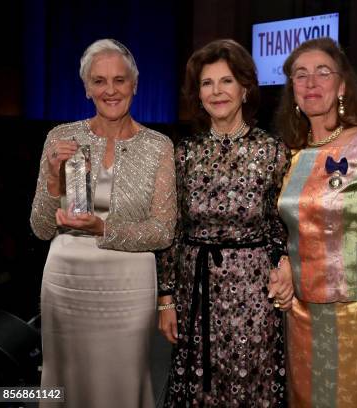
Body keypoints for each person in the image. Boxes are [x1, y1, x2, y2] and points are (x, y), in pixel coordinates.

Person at [30, 39, 176, 407]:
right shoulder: (61, 138)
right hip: (66, 281)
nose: (110, 90)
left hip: (128, 286)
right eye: (99, 81)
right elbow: (41, 228)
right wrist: (52, 179)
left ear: (135, 85)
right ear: (86, 88)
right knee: (64, 380)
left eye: (119, 80)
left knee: (122, 382)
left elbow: (162, 230)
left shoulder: (159, 146)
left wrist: (103, 230)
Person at [156, 39, 292, 407]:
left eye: (227, 81)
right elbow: (172, 229)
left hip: (254, 293)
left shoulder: (272, 150)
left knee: (252, 381)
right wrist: (166, 299)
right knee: (199, 386)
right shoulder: (182, 153)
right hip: (195, 290)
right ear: (197, 95)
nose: (217, 91)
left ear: (245, 88)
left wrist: (285, 265)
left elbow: (283, 226)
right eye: (207, 83)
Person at [275, 37, 357, 407]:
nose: (310, 83)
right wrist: (285, 264)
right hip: (301, 315)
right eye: (300, 75)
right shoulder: (293, 154)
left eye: (322, 72)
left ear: (343, 86)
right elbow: (291, 230)